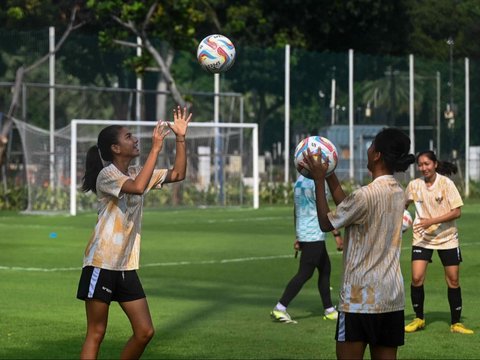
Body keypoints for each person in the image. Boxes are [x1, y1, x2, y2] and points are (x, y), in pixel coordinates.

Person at [76, 106, 192, 359]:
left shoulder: (137, 173)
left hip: (125, 266)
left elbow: (179, 174)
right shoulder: (107, 175)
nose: (135, 138)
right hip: (101, 263)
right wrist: (156, 147)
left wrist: (180, 138)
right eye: (129, 136)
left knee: (144, 331)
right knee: (96, 333)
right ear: (115, 148)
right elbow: (137, 188)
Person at [304, 128, 415, 360]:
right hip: (391, 298)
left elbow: (327, 223)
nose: (368, 149)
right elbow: (349, 209)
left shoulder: (365, 195)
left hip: (359, 298)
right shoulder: (398, 192)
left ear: (377, 155)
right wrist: (330, 173)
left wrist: (318, 179)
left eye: (371, 145)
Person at [404, 151, 474, 335]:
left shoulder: (446, 184)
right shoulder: (414, 185)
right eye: (420, 165)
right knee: (417, 278)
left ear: (435, 164)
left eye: (427, 164)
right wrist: (401, 218)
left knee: (453, 280)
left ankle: (456, 323)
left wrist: (431, 221)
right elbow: (403, 206)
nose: (423, 168)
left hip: (447, 238)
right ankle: (419, 318)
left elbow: (457, 212)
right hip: (422, 238)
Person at [270, 174, 343, 324]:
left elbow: (296, 210)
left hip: (306, 232)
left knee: (325, 269)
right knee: (305, 273)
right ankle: (280, 307)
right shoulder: (317, 182)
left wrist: (298, 235)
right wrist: (337, 234)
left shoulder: (299, 181)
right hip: (314, 234)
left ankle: (329, 309)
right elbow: (325, 210)